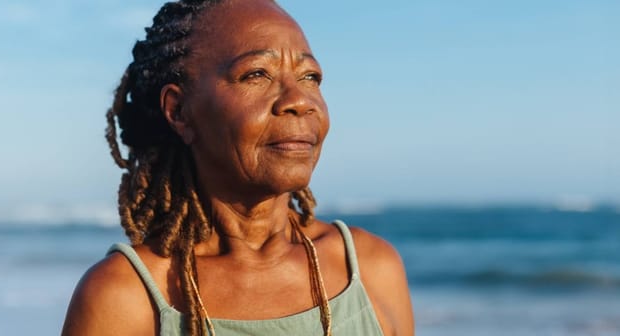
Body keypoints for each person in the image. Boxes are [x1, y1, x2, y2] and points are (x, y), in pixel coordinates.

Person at [61, 0, 413, 335]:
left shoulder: (371, 269)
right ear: (179, 111)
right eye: (257, 74)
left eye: (310, 77)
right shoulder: (126, 298)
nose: (299, 101)